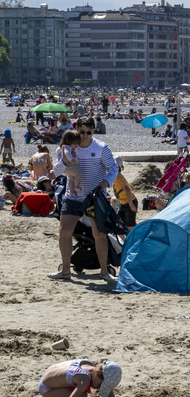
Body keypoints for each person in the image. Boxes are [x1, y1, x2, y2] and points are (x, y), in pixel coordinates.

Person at [50, 118, 120, 283]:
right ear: (77, 130)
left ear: (94, 131)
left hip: (95, 198)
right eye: (82, 132)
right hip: (72, 197)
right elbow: (56, 172)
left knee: (100, 235)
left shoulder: (101, 147)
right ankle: (65, 271)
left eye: (89, 132)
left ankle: (104, 272)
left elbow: (113, 168)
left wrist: (106, 182)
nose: (85, 135)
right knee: (64, 232)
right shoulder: (67, 147)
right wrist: (65, 160)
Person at [39, 358, 121, 397]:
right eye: (100, 385)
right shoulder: (85, 380)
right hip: (47, 389)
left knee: (81, 392)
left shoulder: (92, 364)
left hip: (50, 373)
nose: (98, 388)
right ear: (97, 372)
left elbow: (105, 380)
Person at [111, 157, 138, 228]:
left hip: (129, 203)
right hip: (123, 203)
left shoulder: (118, 177)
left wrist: (131, 204)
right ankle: (124, 235)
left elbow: (128, 190)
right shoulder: (115, 176)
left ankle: (133, 234)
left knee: (130, 225)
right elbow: (129, 186)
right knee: (119, 222)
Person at [58, 129, 83, 196]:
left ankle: (72, 191)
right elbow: (67, 153)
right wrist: (71, 159)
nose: (76, 145)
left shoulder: (63, 147)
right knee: (79, 174)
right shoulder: (67, 147)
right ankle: (76, 186)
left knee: (71, 179)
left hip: (67, 169)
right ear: (69, 142)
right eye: (75, 143)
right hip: (71, 166)